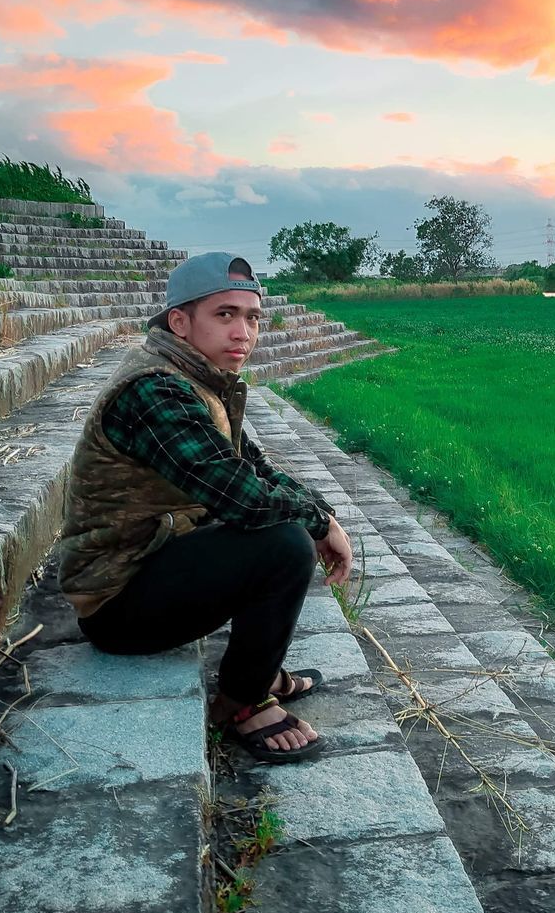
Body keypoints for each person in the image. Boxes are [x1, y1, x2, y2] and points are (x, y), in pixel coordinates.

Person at [57, 252, 352, 761]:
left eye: (252, 316)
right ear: (180, 322)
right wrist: (316, 522)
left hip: (153, 562)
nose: (244, 332)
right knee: (282, 544)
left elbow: (249, 464)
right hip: (116, 601)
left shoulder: (194, 376)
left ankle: (259, 670)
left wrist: (321, 511)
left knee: (282, 526)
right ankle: (240, 703)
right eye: (224, 315)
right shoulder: (155, 390)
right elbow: (241, 496)